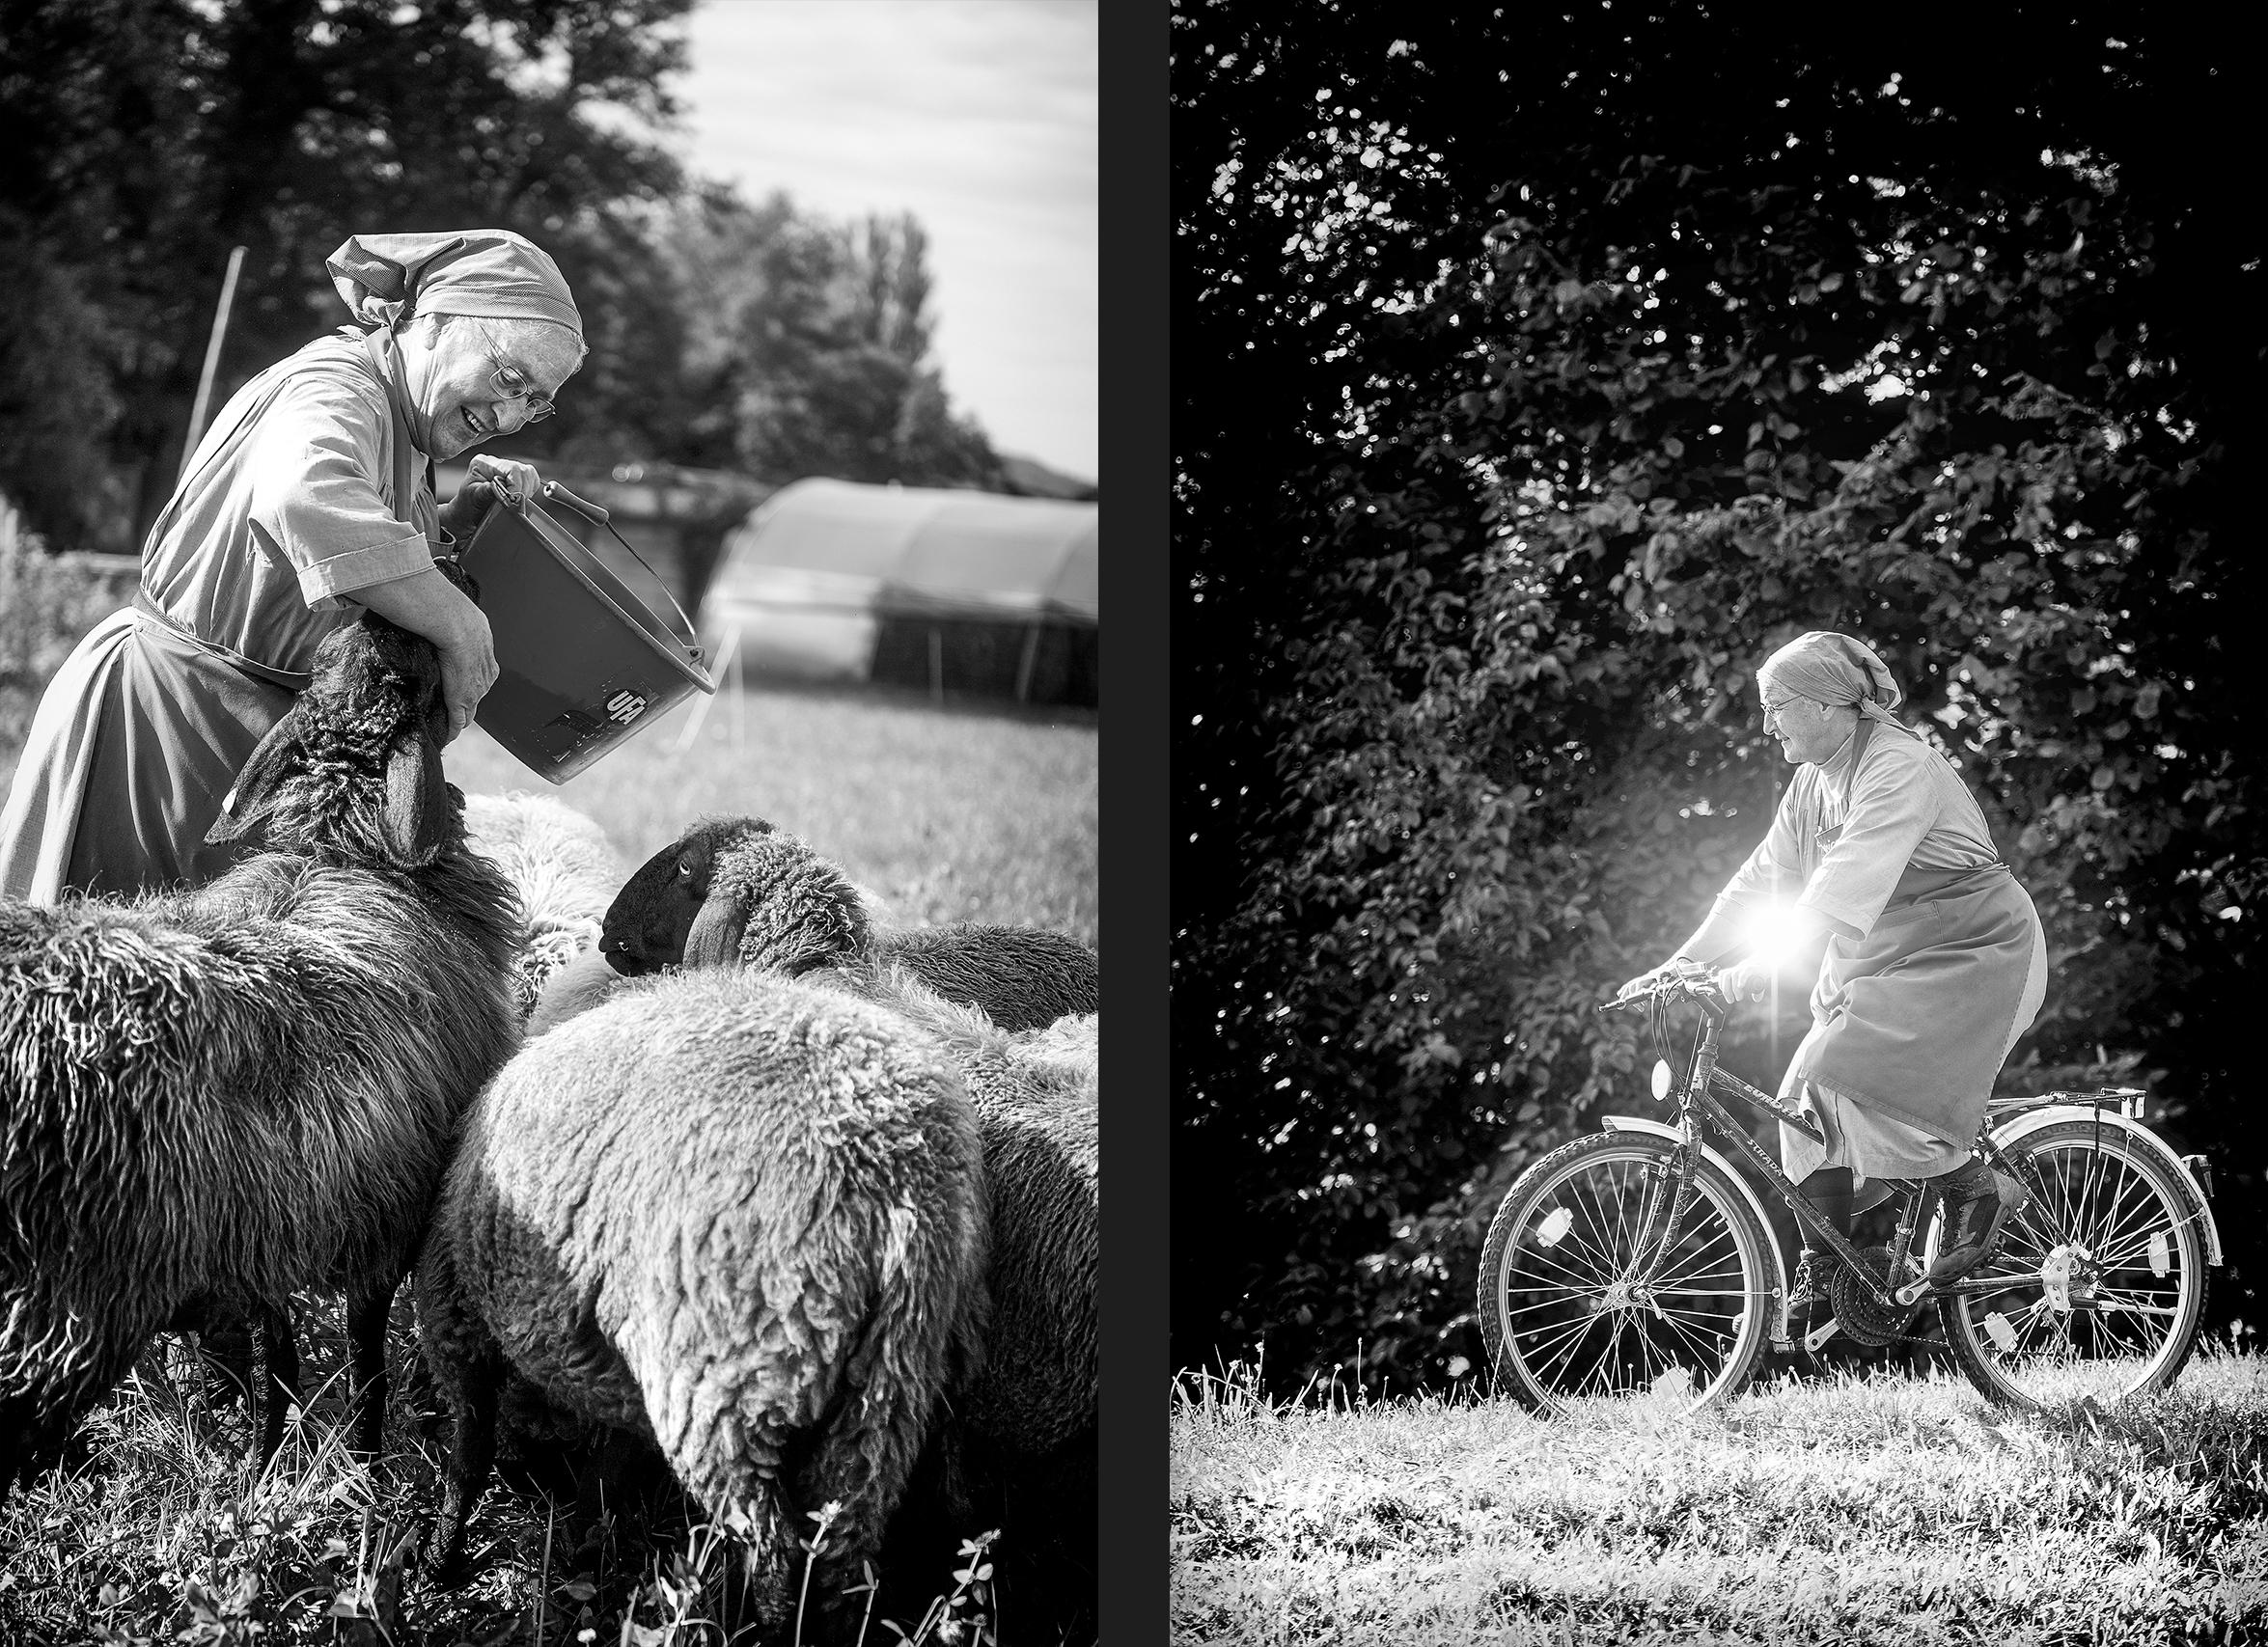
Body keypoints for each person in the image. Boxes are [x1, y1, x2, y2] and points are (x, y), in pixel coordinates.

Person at [0, 228, 585, 904]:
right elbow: (306, 498)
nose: (511, 415)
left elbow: (347, 572)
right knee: (111, 978)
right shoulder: (336, 387)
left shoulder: (405, 431)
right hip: (168, 727)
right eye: (509, 377)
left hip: (253, 737)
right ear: (432, 323)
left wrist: (458, 522)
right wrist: (460, 625)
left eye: (536, 401)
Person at [1618, 630, 2047, 1305]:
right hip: (1885, 960)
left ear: (1824, 706)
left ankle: (1977, 1190)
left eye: (1777, 705)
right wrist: (1679, 964)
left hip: (1974, 952)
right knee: (1799, 1108)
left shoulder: (1898, 767)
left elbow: (1833, 894)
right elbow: (1758, 884)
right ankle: (1834, 1281)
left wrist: (1751, 970)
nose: (1766, 724)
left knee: (1844, 1070)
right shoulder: (1811, 785)